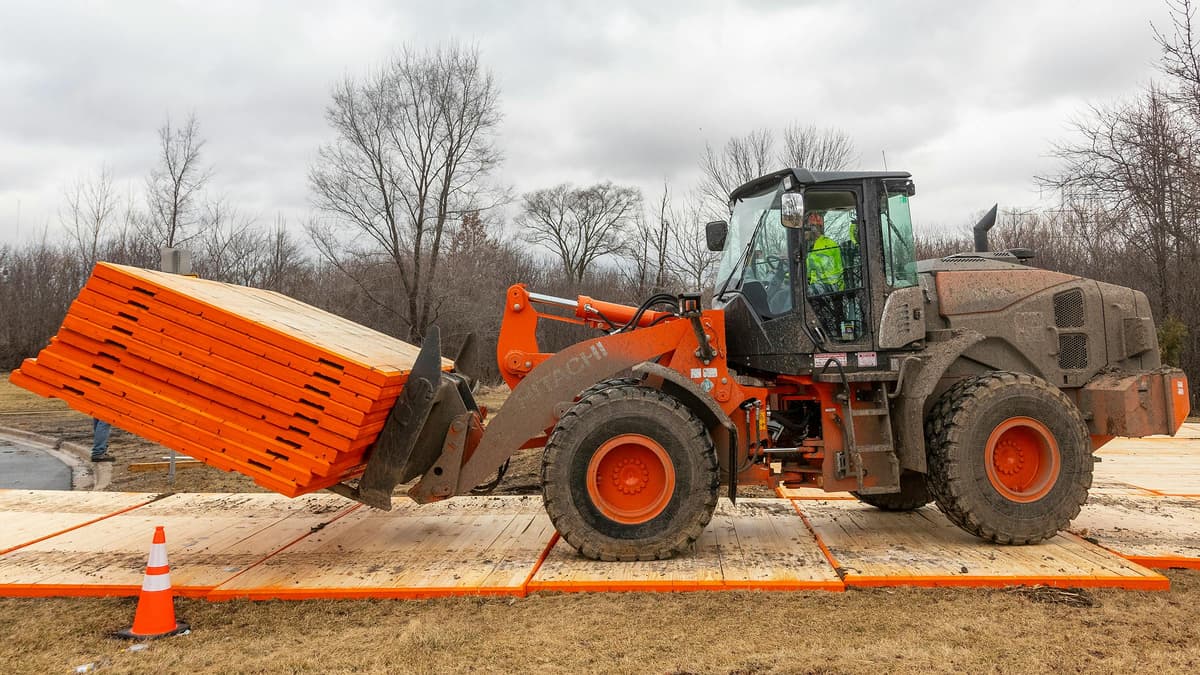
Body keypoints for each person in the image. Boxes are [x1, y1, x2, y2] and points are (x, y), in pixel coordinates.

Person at [803, 211, 845, 294]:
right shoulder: (812, 245)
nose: (803, 233)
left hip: (831, 286)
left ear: (813, 229)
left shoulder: (826, 245)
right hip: (819, 285)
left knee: (805, 293)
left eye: (805, 229)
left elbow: (813, 267)